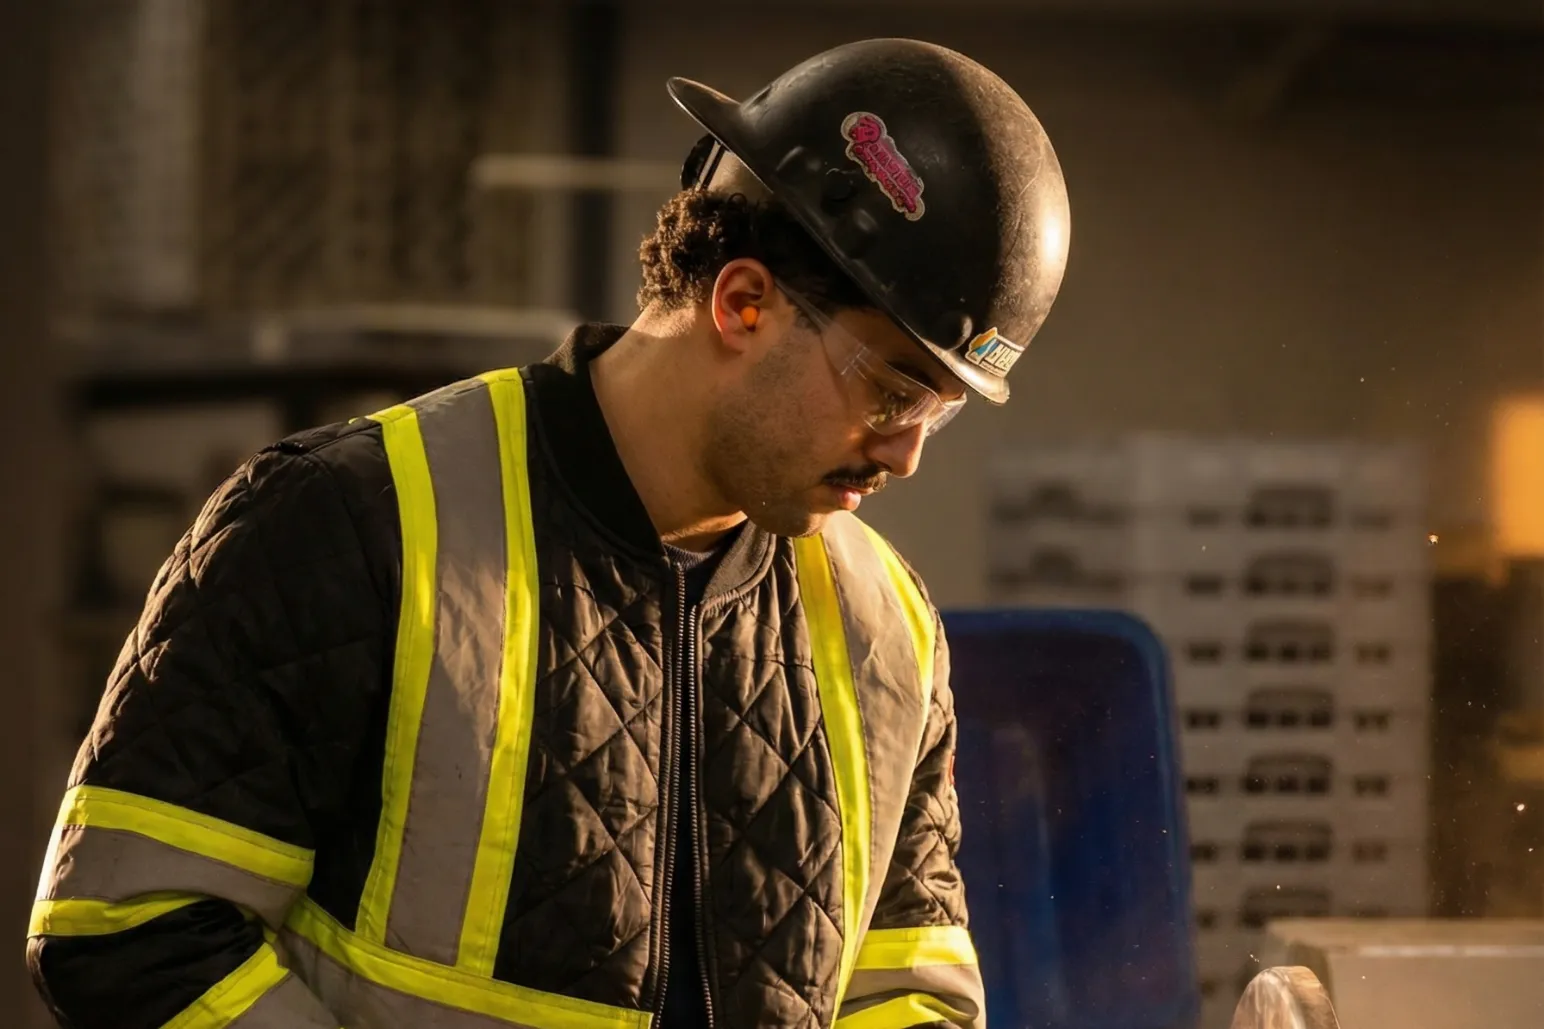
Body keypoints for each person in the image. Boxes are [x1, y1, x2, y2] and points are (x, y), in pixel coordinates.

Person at [28, 36, 1069, 1029]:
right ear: (742, 304)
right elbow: (126, 924)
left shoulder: (884, 629)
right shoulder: (352, 524)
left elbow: (908, 993)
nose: (905, 455)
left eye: (941, 410)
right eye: (890, 390)